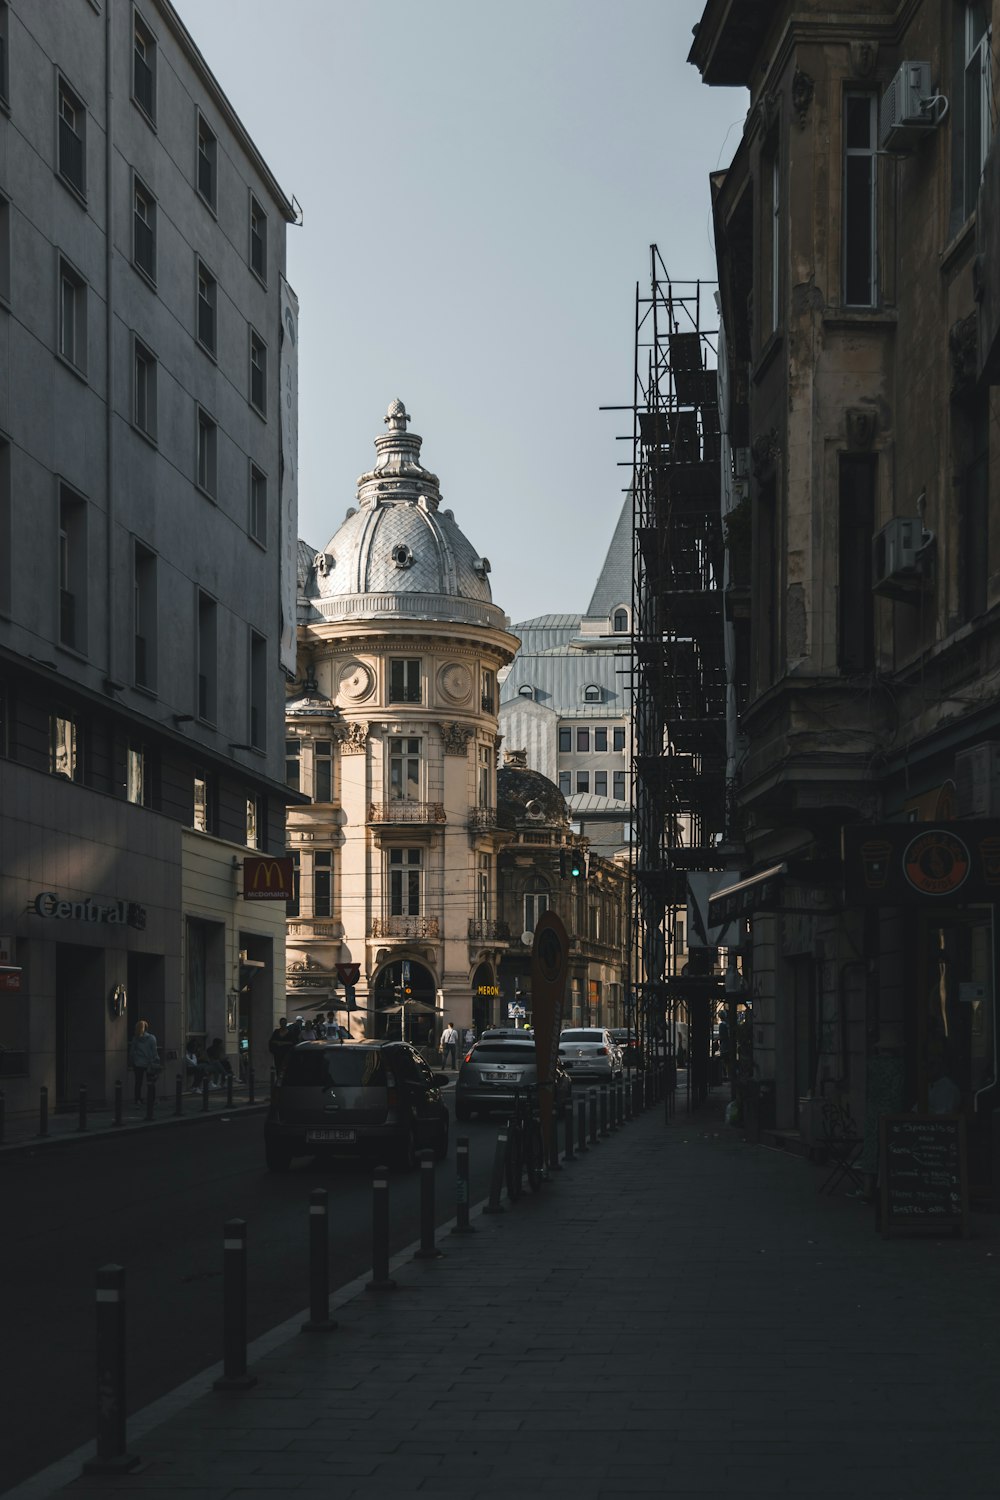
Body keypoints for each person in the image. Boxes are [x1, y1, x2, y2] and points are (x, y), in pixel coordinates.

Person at [129, 1019, 160, 1105]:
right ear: (146, 1028)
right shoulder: (151, 1038)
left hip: (138, 1063)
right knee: (150, 1082)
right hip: (149, 1063)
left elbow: (131, 1052)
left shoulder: (135, 1039)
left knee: (138, 1082)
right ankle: (151, 1099)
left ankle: (138, 1099)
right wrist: (156, 1061)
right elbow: (154, 1052)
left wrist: (133, 1060)